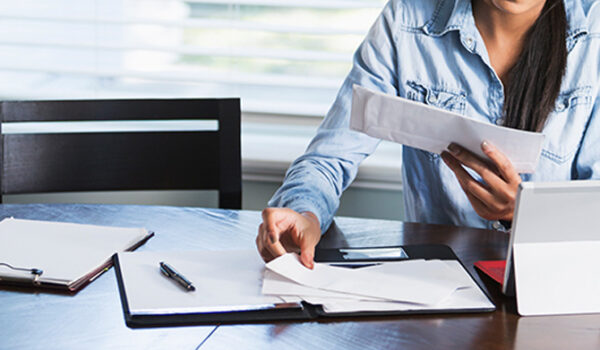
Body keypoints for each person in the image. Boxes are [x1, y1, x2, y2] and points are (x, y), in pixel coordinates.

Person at [256, 0, 600, 268]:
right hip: (439, 287)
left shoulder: (594, 33)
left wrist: (525, 213)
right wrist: (303, 213)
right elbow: (330, 156)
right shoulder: (406, 21)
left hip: (560, 284)